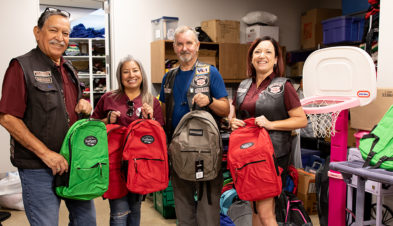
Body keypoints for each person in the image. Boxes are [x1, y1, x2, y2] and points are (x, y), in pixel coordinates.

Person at [0, 8, 96, 226]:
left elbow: (72, 108)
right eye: (54, 30)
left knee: (87, 221)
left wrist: (85, 108)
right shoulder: (21, 66)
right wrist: (47, 155)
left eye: (66, 33)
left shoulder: (69, 68)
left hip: (73, 164)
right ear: (37, 32)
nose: (61, 38)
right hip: (38, 168)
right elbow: (8, 118)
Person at [230, 36, 308, 226]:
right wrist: (232, 121)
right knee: (255, 211)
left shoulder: (284, 86)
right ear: (251, 58)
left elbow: (301, 120)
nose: (261, 56)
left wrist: (271, 124)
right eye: (257, 52)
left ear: (275, 60)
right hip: (248, 155)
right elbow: (233, 114)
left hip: (272, 157)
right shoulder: (243, 86)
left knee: (266, 214)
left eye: (268, 52)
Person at [159, 26, 230, 226]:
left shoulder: (210, 73)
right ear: (174, 47)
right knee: (183, 208)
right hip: (179, 151)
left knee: (208, 210)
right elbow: (164, 114)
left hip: (206, 152)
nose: (184, 48)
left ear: (197, 46)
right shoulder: (169, 77)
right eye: (180, 44)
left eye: (189, 43)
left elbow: (225, 109)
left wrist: (209, 102)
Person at [91, 55, 164, 226]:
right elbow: (92, 127)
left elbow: (159, 136)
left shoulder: (151, 102)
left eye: (135, 70)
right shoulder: (109, 98)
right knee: (119, 212)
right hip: (114, 164)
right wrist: (107, 120)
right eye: (126, 72)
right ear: (120, 76)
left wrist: (150, 120)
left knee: (135, 210)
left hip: (140, 165)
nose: (131, 75)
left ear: (141, 73)